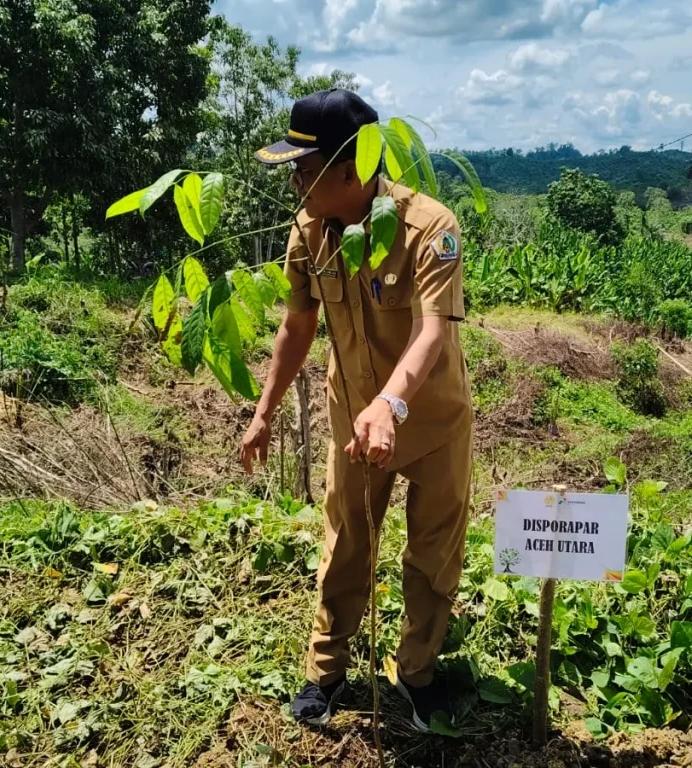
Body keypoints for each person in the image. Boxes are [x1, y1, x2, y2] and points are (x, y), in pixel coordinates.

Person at [242, 89, 473, 732]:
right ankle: (326, 671)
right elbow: (297, 326)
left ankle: (417, 673)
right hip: (352, 418)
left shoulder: (429, 227)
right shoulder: (307, 231)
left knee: (432, 554)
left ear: (351, 170)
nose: (294, 182)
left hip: (432, 422)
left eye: (303, 169)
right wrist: (264, 411)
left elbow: (432, 330)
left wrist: (391, 405)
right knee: (345, 543)